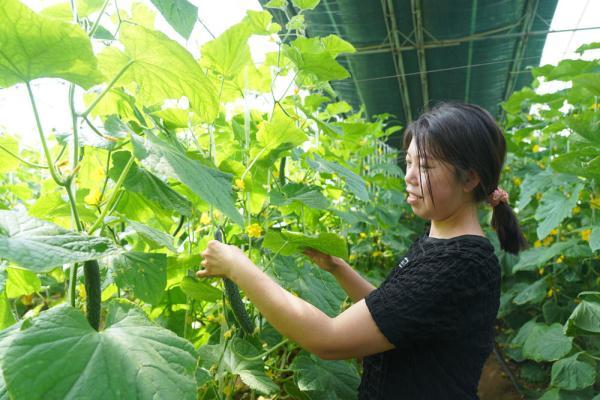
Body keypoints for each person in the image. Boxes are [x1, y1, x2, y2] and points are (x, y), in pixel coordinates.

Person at [197, 102, 528, 399]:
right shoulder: (440, 244)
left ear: (469, 178)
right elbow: (397, 314)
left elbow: (327, 340)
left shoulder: (457, 265)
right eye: (409, 162)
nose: (409, 177)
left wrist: (236, 266)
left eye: (425, 167)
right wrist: (338, 268)